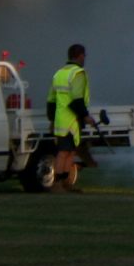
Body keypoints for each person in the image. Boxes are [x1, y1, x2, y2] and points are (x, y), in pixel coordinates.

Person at [46, 44, 91, 192]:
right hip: (72, 120)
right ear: (80, 55)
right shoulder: (78, 73)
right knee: (64, 152)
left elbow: (51, 100)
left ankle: (66, 183)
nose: (85, 58)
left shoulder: (59, 74)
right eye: (84, 55)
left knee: (70, 152)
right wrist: (85, 116)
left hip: (61, 120)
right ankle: (58, 184)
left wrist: (52, 119)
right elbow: (77, 99)